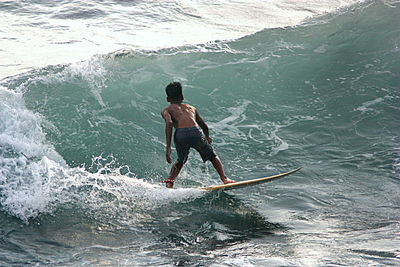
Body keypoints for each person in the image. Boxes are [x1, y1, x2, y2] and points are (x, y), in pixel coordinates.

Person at [161, 82, 235, 188]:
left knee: (180, 161)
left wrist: (168, 147)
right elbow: (204, 126)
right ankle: (224, 178)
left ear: (167, 99)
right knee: (213, 156)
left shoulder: (167, 110)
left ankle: (169, 183)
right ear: (182, 97)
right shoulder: (191, 108)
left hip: (180, 135)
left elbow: (169, 123)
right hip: (195, 132)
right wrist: (207, 137)